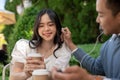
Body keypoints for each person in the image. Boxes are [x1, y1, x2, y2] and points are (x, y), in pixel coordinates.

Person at [51, 0, 120, 80]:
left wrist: (89, 78)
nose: (97, 20)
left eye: (101, 15)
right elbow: (96, 68)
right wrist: (70, 44)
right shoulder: (108, 45)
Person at [9, 8, 71, 80]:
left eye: (50, 24)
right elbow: (12, 78)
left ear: (57, 27)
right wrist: (26, 74)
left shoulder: (62, 50)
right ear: (37, 29)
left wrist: (45, 72)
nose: (46, 29)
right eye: (41, 26)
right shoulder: (24, 47)